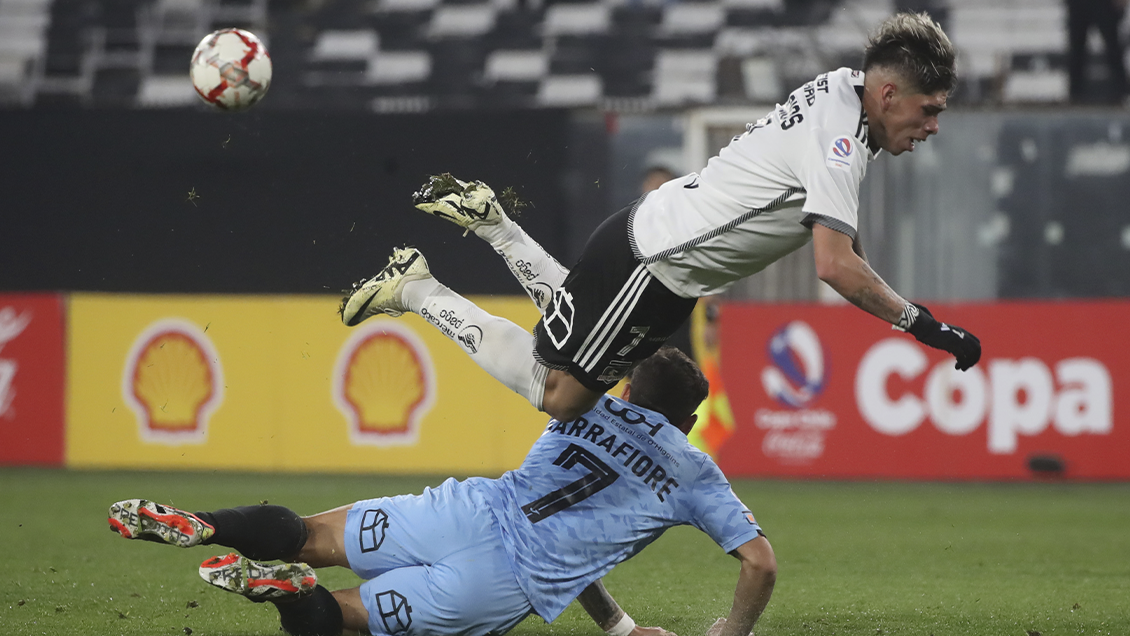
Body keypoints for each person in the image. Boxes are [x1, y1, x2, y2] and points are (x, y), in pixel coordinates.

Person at [340, 12, 982, 423]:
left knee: (571, 318)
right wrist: (920, 324)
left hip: (659, 256)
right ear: (889, 93)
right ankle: (418, 287)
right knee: (560, 395)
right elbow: (833, 265)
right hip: (653, 265)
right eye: (929, 110)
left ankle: (493, 224)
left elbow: (834, 229)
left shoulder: (844, 94)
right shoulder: (841, 140)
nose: (930, 126)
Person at [108, 347, 776, 636]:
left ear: (628, 391)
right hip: (501, 585)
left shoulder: (586, 405)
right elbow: (760, 563)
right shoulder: (691, 469)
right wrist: (731, 630)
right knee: (341, 617)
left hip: (462, 513)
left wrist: (617, 624)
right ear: (686, 422)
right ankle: (292, 593)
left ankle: (203, 523)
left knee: (311, 536)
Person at [1066, 0, 1128, 103]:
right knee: (1076, 50)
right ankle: (1075, 94)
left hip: (1104, 3)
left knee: (1113, 47)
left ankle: (1121, 92)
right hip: (1078, 3)